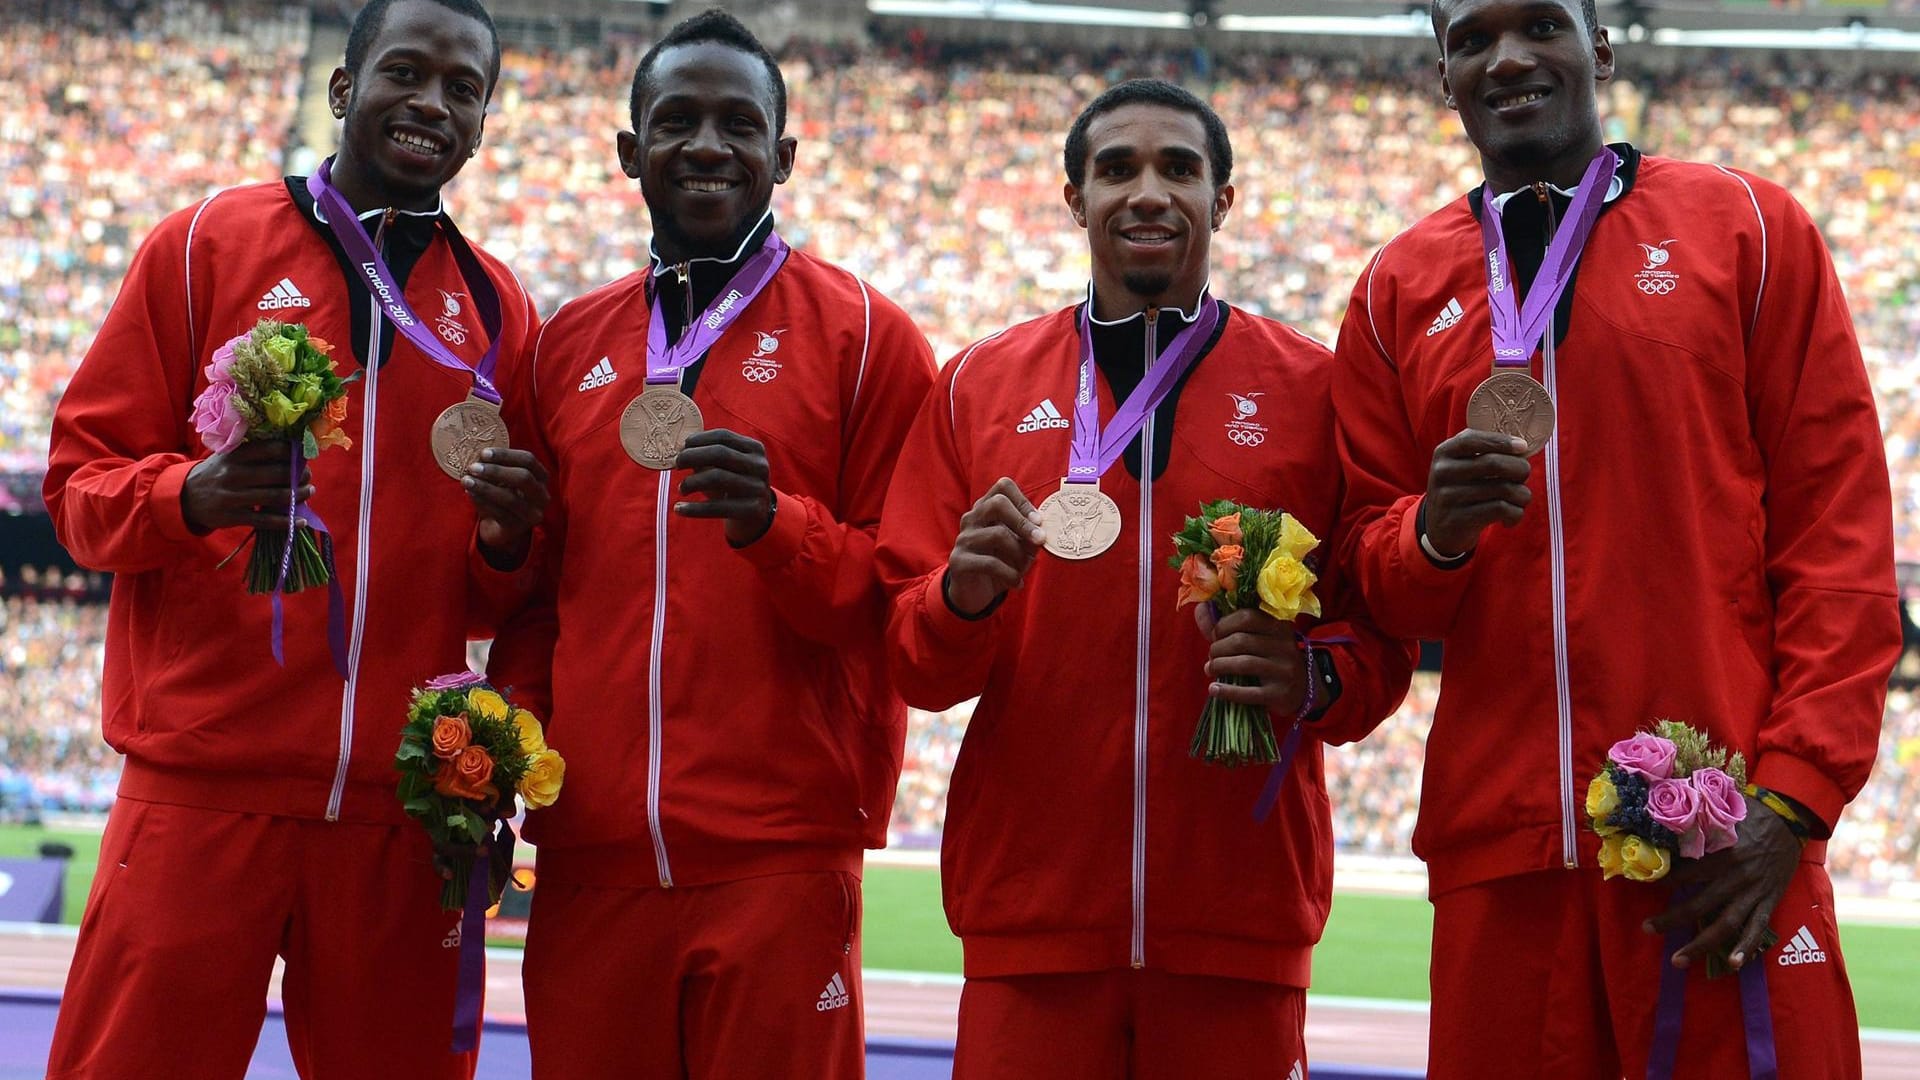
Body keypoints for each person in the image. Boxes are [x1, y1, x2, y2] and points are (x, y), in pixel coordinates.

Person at [1331, 0, 1898, 1075]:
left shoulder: (1749, 227)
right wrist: (1433, 537)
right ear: (1442, 75)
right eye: (1470, 41)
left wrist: (1792, 796)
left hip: (1721, 836)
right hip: (1502, 858)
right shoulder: (1394, 289)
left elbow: (1841, 539)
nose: (1507, 58)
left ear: (1600, 44)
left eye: (1541, 23)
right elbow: (1374, 583)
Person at [41, 0, 547, 1075]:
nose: (432, 103)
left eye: (464, 89)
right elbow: (78, 495)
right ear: (342, 89)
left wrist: (506, 544)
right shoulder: (202, 247)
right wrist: (192, 496)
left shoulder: (500, 312)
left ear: (484, 123)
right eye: (405, 72)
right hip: (203, 785)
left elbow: (497, 596)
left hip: (404, 808)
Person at [875, 79, 1414, 1078]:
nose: (1148, 191)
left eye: (1180, 168)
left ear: (1225, 198)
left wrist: (1315, 679)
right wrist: (960, 598)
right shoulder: (979, 386)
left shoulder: (1312, 391)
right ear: (1076, 199)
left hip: (1237, 929)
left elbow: (1380, 638)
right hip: (1029, 926)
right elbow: (915, 664)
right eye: (1116, 168)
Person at [481, 11, 936, 1078]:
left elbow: (900, 604)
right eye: (676, 119)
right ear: (630, 151)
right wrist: (515, 737)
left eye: (740, 122)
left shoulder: (870, 337)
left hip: (778, 854)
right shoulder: (566, 345)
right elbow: (543, 600)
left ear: (783, 154)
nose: (707, 144)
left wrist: (780, 530)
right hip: (589, 855)